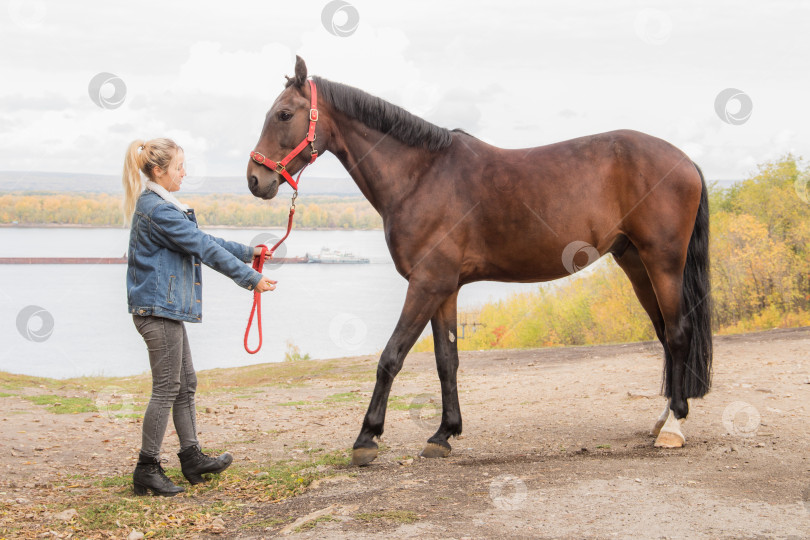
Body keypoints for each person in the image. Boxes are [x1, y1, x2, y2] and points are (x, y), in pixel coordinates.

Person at [122, 137, 276, 496]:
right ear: (159, 171)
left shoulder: (163, 205)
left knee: (185, 384)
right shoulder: (158, 209)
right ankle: (147, 468)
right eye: (179, 167)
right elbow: (202, 247)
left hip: (165, 309)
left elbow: (202, 239)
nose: (184, 173)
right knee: (166, 389)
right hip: (157, 311)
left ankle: (191, 457)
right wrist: (251, 278)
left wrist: (249, 252)